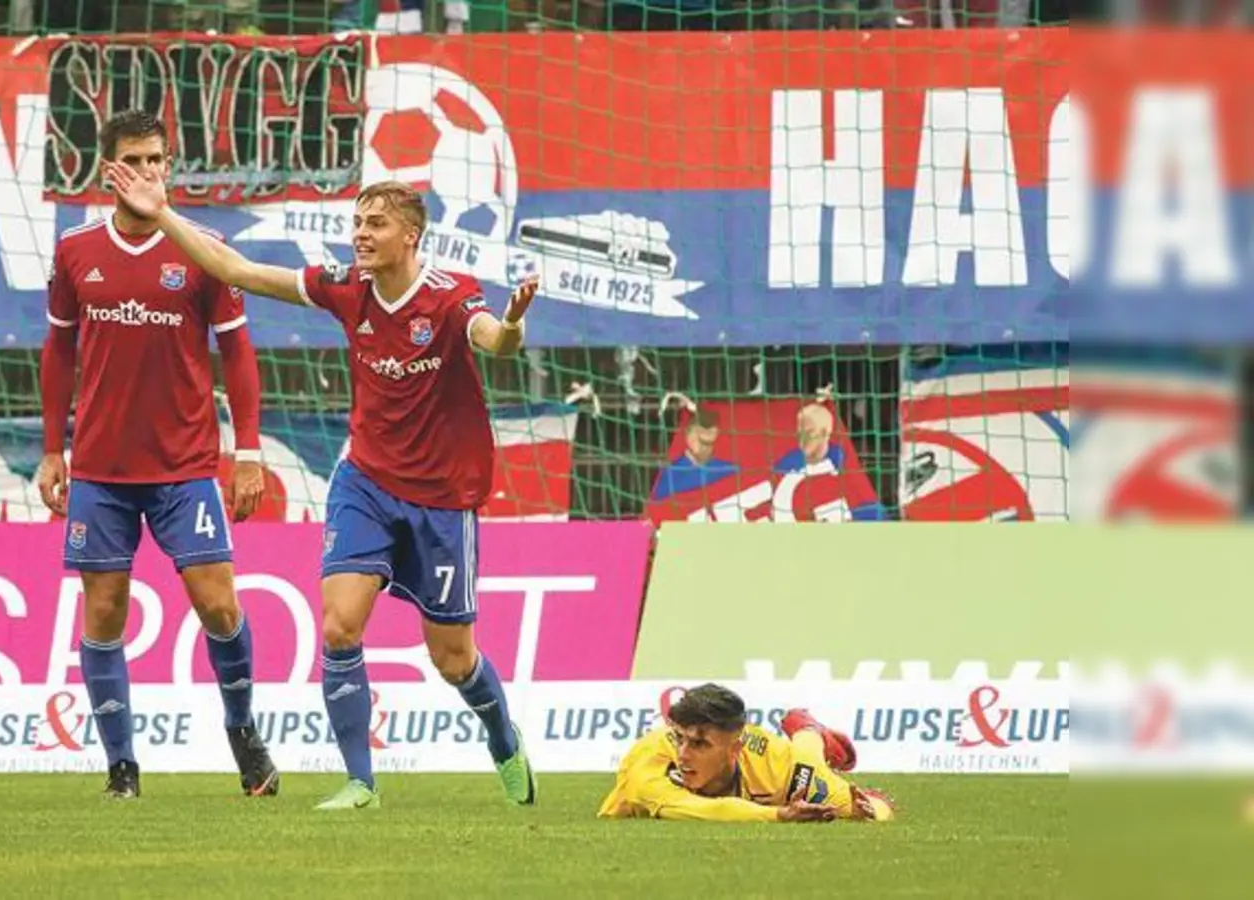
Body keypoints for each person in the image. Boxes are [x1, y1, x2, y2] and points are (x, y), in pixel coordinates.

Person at [102, 159, 541, 811]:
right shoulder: (344, 287)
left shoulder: (450, 295)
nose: (361, 234)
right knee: (339, 626)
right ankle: (361, 782)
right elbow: (238, 272)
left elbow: (492, 341)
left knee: (454, 659)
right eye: (357, 222)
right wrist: (161, 211)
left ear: (411, 236)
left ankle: (504, 740)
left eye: (376, 224)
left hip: (443, 499)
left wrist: (512, 325)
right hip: (364, 481)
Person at [37, 110, 279, 801]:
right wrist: (53, 450)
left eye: (157, 160)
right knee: (105, 610)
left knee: (220, 607)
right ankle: (122, 768)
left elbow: (236, 352)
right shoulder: (76, 251)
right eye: (135, 161)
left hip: (185, 467)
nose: (149, 172)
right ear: (106, 169)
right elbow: (58, 351)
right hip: (102, 471)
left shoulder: (203, 249)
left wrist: (249, 450)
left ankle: (241, 729)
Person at [597, 683, 896, 823]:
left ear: (734, 750)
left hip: (774, 756)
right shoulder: (651, 759)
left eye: (700, 744)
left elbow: (874, 806)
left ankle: (807, 729)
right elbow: (694, 809)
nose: (684, 754)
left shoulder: (774, 761)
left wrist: (869, 813)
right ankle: (807, 728)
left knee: (810, 760)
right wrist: (777, 814)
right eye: (681, 739)